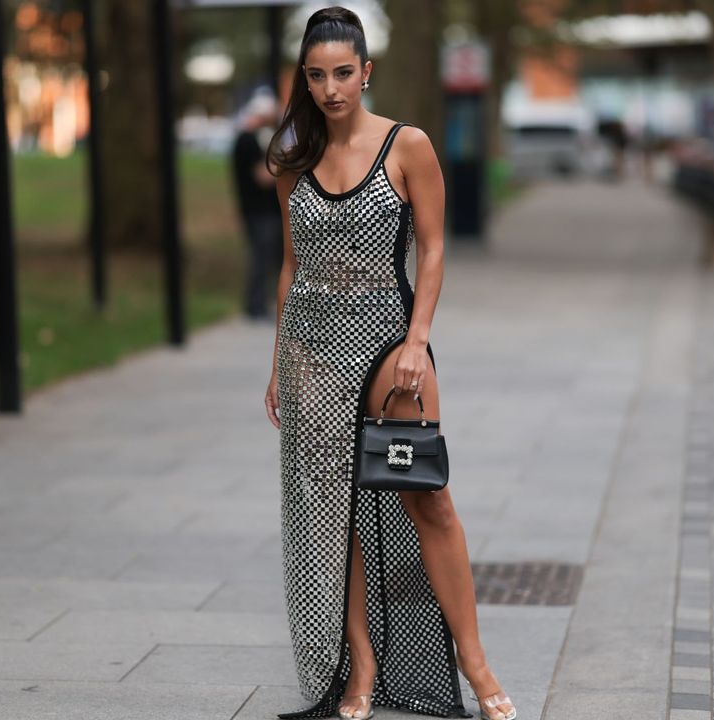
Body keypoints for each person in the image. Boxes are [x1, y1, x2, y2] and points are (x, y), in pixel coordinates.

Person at [263, 8, 516, 720]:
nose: (331, 88)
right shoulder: (293, 159)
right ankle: (361, 666)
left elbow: (433, 249)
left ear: (366, 72)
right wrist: (279, 361)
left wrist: (417, 338)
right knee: (331, 511)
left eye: (343, 73)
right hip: (313, 347)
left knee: (428, 497)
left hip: (389, 341)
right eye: (317, 76)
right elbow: (290, 267)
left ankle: (473, 661)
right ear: (305, 81)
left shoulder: (407, 146)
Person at [232, 90, 283, 319]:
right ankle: (255, 305)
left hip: (266, 210)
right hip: (257, 210)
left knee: (269, 255)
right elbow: (263, 177)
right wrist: (287, 166)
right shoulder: (247, 140)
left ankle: (262, 301)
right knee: (261, 256)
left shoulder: (262, 137)